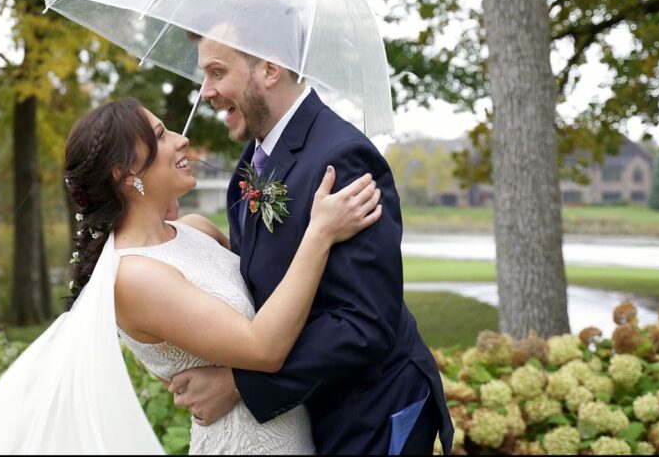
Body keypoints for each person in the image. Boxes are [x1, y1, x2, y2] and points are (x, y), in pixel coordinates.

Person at [0, 97, 381, 454]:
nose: (182, 139)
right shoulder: (133, 277)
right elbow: (263, 347)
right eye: (160, 135)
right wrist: (320, 233)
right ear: (125, 173)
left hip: (295, 430)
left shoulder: (194, 230)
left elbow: (276, 285)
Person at [167, 31, 455, 455]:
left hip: (371, 408)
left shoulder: (343, 158)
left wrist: (240, 384)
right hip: (312, 410)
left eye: (217, 72)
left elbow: (365, 321)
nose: (206, 92)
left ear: (270, 68)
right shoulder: (251, 164)